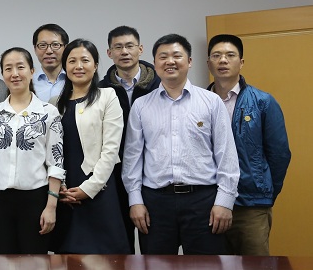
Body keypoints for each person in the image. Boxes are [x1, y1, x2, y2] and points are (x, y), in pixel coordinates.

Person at [121, 34, 239, 255]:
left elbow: (227, 155)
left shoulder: (211, 102)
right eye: (163, 57)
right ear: (154, 63)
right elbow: (132, 158)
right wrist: (135, 200)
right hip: (155, 203)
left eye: (177, 56)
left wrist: (225, 201)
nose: (170, 61)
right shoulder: (141, 106)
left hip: (203, 201)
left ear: (189, 61)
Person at [206, 34, 291, 256]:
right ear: (208, 63)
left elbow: (279, 154)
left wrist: (265, 190)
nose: (223, 60)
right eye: (216, 55)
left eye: (230, 55)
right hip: (209, 203)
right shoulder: (198, 103)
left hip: (251, 205)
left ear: (241, 62)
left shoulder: (263, 102)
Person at [0, 47, 65, 254]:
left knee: (34, 265)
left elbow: (56, 162)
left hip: (35, 199)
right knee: (1, 263)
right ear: (2, 74)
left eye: (20, 67)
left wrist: (51, 206)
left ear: (32, 71)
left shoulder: (48, 113)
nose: (14, 74)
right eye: (8, 69)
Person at [51, 39, 129, 254]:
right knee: (67, 261)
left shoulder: (108, 96)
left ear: (95, 65)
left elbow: (111, 150)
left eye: (85, 60)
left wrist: (89, 188)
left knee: (105, 264)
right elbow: (51, 150)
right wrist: (60, 187)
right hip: (65, 193)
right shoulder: (54, 103)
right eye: (72, 61)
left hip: (99, 189)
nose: (78, 66)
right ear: (65, 67)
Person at [98, 25, 160, 253]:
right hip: (114, 176)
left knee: (155, 246)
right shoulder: (101, 91)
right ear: (109, 53)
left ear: (140, 49)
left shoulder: (160, 86)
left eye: (129, 46)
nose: (124, 51)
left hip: (154, 175)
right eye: (118, 47)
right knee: (120, 246)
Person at [32, 24, 69, 102]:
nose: (49, 51)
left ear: (66, 48)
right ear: (35, 49)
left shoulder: (74, 80)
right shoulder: (28, 83)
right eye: (42, 45)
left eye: (55, 45)